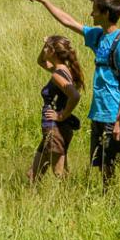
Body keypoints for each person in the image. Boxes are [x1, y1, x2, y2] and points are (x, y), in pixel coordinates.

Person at [24, 0, 120, 185]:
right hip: (99, 113)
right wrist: (44, 1)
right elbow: (68, 21)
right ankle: (109, 200)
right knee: (104, 165)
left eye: (95, 10)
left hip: (114, 113)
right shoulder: (98, 36)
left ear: (106, 13)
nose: (91, 13)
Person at [28, 35, 84, 182]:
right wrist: (46, 44)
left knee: (60, 174)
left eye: (47, 48)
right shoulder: (63, 69)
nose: (44, 49)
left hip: (55, 129)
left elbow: (75, 96)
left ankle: (73, 199)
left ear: (53, 52)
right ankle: (32, 201)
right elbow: (41, 61)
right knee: (33, 175)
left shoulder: (57, 75)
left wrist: (61, 115)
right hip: (54, 129)